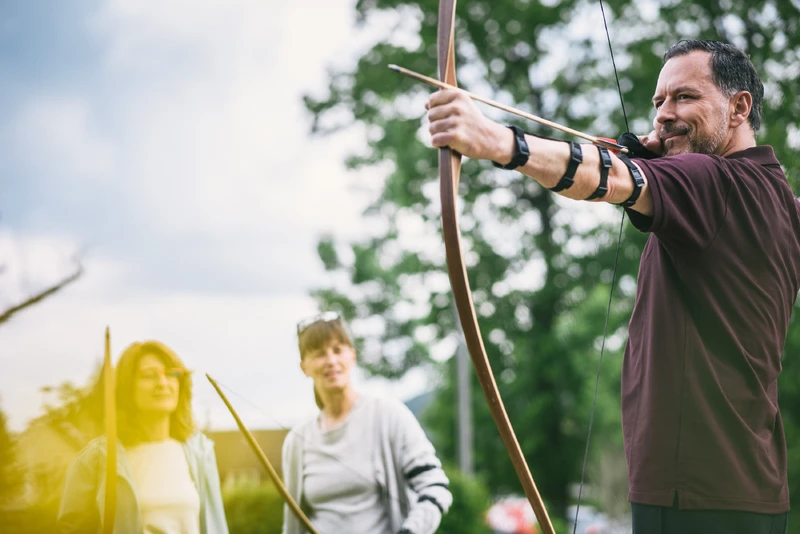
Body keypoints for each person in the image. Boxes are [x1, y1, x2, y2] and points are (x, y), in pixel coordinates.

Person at [425, 39, 800, 534]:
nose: (664, 114)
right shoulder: (780, 198)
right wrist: (653, 152)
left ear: (739, 106)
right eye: (658, 102)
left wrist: (495, 140)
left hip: (693, 495)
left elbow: (610, 178)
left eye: (684, 97)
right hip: (748, 490)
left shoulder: (712, 182)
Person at [282, 312, 452, 534]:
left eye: (337, 350)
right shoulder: (296, 440)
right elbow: (292, 525)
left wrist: (410, 531)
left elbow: (435, 486)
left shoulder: (388, 415)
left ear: (352, 356)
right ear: (304, 367)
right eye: (319, 353)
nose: (331, 361)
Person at [58, 340, 229, 534]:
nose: (163, 383)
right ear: (127, 387)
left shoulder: (200, 452)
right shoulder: (96, 459)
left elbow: (216, 526)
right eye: (149, 375)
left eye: (172, 374)